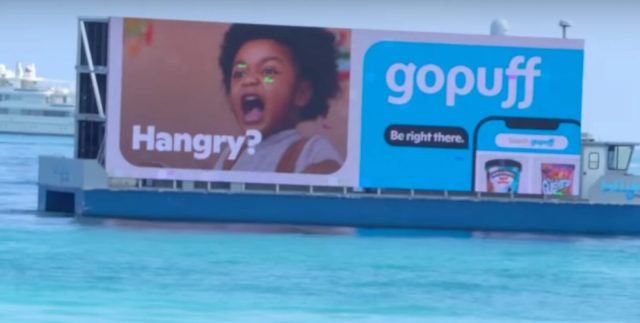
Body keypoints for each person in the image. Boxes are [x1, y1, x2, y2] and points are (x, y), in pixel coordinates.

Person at [214, 24, 344, 174]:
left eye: (268, 71)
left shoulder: (312, 151)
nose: (249, 80)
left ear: (302, 93)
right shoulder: (230, 157)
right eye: (240, 74)